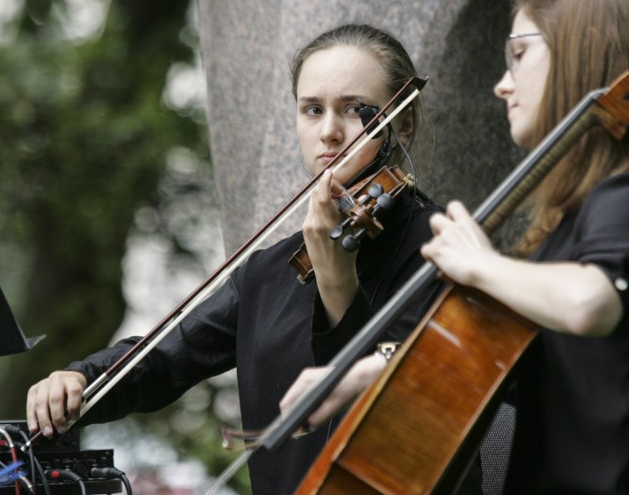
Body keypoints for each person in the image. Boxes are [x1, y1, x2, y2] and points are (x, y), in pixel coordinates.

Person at [26, 24, 443, 494]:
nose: (329, 131)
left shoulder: (443, 249)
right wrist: (81, 378)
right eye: (312, 110)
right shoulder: (269, 272)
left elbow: (407, 395)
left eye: (354, 110)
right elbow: (167, 357)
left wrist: (338, 284)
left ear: (403, 124)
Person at [419, 0, 629, 493]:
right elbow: (541, 377)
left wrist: (482, 264)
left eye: (519, 54)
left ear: (583, 49)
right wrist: (383, 379)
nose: (501, 85)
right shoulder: (575, 223)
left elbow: (589, 303)